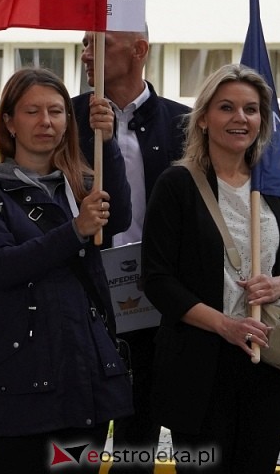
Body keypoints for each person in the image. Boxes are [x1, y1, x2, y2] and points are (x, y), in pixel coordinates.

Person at [142, 63, 280, 473]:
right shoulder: (177, 185)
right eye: (226, 107)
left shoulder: (273, 186)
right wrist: (224, 325)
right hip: (200, 366)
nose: (240, 118)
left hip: (266, 364)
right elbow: (157, 279)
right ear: (203, 118)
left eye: (251, 109)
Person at [0, 67, 133, 474]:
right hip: (22, 378)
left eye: (57, 111)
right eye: (32, 111)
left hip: (83, 373)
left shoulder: (83, 185)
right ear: (9, 122)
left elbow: (119, 216)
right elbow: (3, 267)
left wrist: (107, 144)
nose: (46, 121)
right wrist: (74, 230)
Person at [73, 29, 190, 470]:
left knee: (136, 440)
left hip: (155, 305)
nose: (86, 54)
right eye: (83, 44)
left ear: (139, 50)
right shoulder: (65, 118)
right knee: (76, 444)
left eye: (97, 44)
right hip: (85, 301)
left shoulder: (184, 124)